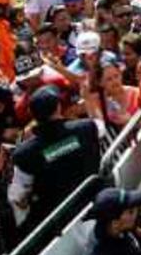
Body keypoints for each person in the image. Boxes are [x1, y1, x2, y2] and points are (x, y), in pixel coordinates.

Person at [9, 86, 100, 233]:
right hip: (94, 204)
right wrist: (89, 101)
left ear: (33, 115)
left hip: (60, 225)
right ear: (58, 107)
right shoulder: (86, 128)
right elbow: (101, 126)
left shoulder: (25, 153)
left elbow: (17, 195)